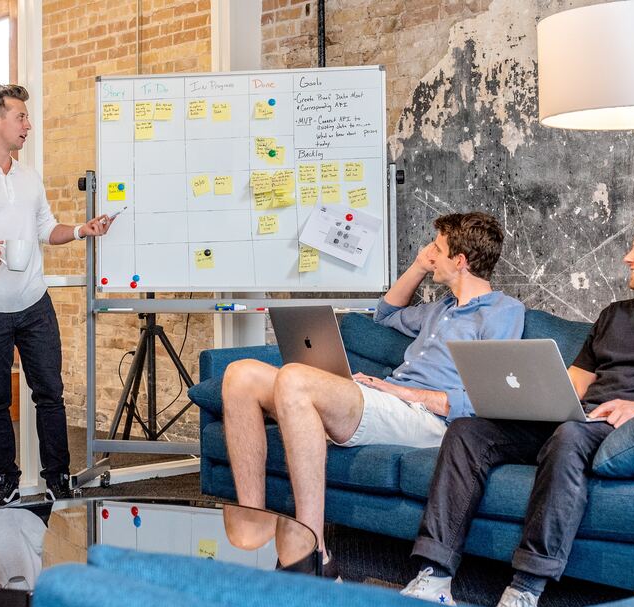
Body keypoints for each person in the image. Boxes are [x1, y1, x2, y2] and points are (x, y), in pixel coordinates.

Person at [401, 209, 634, 607]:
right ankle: (434, 575)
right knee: (468, 431)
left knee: (569, 435)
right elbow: (571, 386)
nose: (627, 256)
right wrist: (524, 400)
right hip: (582, 421)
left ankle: (525, 588)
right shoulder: (615, 315)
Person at [221, 212, 526, 576]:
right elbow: (385, 313)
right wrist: (417, 266)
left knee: (296, 379)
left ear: (459, 261)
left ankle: (314, 551)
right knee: (240, 375)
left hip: (428, 420)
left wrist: (400, 390)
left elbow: (484, 399)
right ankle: (254, 518)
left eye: (437, 249)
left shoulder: (502, 312)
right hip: (389, 404)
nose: (429, 252)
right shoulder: (440, 309)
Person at [0, 84, 115, 509]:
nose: (27, 124)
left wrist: (82, 229)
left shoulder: (29, 177)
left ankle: (57, 479)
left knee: (50, 393)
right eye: (21, 117)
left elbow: (47, 229)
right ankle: (5, 482)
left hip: (34, 304)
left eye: (26, 117)